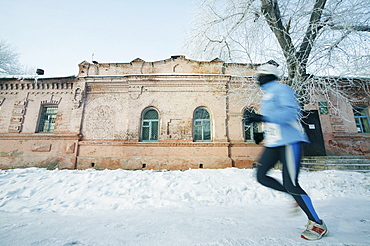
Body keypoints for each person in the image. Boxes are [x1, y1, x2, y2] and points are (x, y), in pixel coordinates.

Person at [245, 64, 328, 240]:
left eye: (261, 75)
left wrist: (262, 118)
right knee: (261, 176)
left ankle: (317, 224)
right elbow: (275, 119)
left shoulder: (283, 89)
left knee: (291, 183)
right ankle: (295, 196)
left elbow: (290, 114)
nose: (258, 78)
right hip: (275, 142)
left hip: (290, 141)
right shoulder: (267, 95)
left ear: (269, 75)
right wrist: (264, 132)